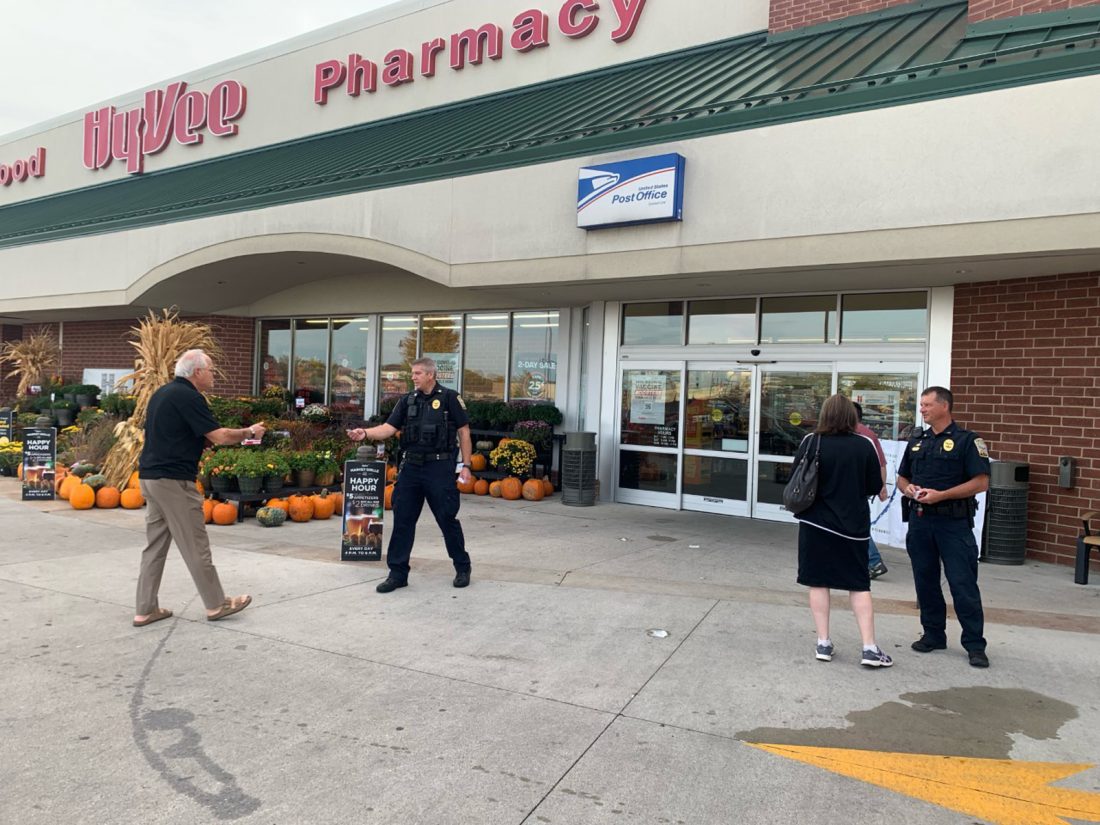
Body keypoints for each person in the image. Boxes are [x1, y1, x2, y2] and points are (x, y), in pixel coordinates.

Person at [134, 349, 264, 627]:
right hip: (174, 481)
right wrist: (249, 432)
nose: (214, 375)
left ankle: (145, 609)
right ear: (197, 372)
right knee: (195, 544)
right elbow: (220, 436)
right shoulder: (189, 396)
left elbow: (171, 433)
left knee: (154, 546)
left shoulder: (162, 393)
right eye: (211, 370)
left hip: (150, 477)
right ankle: (216, 604)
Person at [347, 357, 473, 592]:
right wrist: (365, 433)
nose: (413, 377)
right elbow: (389, 428)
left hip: (439, 468)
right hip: (411, 468)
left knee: (447, 519)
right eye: (412, 373)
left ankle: (462, 567)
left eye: (417, 373)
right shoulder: (407, 400)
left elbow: (464, 432)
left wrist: (466, 465)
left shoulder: (449, 398)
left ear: (430, 375)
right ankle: (397, 574)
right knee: (403, 520)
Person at [793, 394, 893, 668]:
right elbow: (874, 485)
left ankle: (823, 643)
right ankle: (869, 648)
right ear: (851, 416)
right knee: (859, 585)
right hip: (852, 526)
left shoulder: (810, 441)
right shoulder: (863, 445)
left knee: (818, 582)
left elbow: (796, 477)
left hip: (815, 524)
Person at [896, 386, 991, 668]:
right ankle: (933, 634)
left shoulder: (967, 441)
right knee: (925, 581)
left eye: (927, 405)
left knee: (962, 584)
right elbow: (902, 477)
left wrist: (943, 495)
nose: (922, 409)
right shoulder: (917, 440)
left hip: (953, 524)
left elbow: (981, 482)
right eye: (921, 404)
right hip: (921, 521)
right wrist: (908, 488)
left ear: (944, 406)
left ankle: (975, 644)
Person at [853, 402, 890, 578]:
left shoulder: (849, 433)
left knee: (855, 524)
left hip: (852, 487)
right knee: (855, 522)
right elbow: (881, 463)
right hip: (864, 486)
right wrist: (882, 486)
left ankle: (873, 561)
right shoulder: (869, 434)